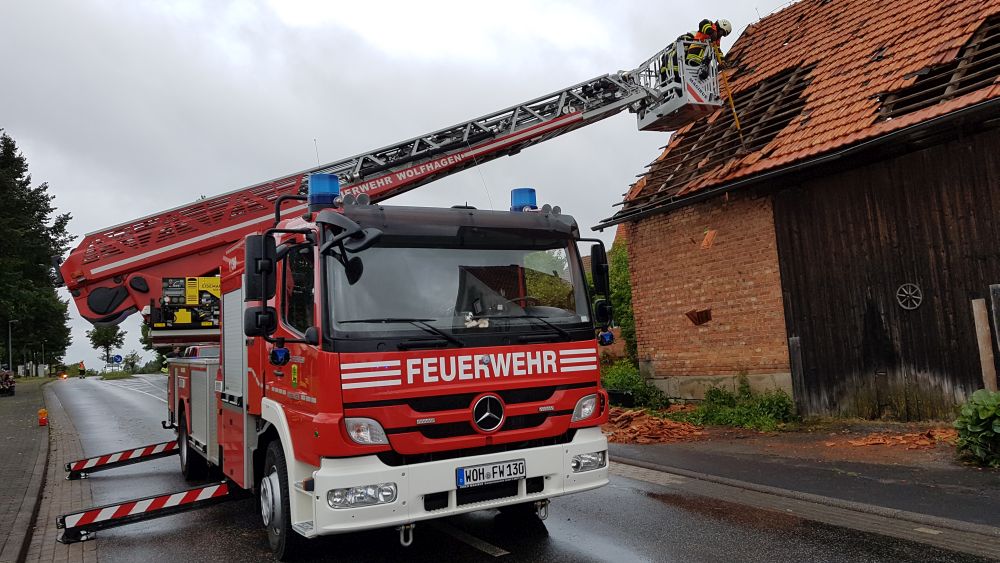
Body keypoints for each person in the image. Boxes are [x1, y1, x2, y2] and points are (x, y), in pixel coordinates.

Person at [659, 19, 732, 85]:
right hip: (691, 54)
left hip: (695, 61)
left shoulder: (715, 41)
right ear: (720, 26)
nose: (720, 35)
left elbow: (718, 51)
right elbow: (703, 23)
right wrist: (711, 32)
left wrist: (722, 61)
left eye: (723, 35)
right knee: (678, 61)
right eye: (722, 32)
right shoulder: (710, 26)